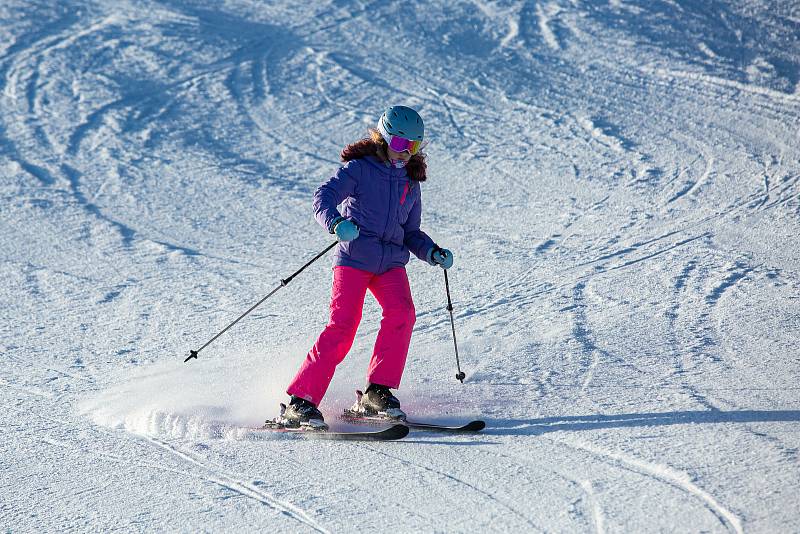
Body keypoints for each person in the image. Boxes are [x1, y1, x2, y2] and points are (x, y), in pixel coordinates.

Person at [278, 105, 453, 429]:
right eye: (400, 144)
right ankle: (300, 402)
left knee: (403, 314)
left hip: (390, 263)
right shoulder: (360, 169)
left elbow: (411, 232)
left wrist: (431, 251)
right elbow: (323, 198)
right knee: (343, 325)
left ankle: (376, 392)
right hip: (355, 259)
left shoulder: (410, 184)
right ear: (384, 139)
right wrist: (336, 224)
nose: (405, 153)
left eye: (413, 146)